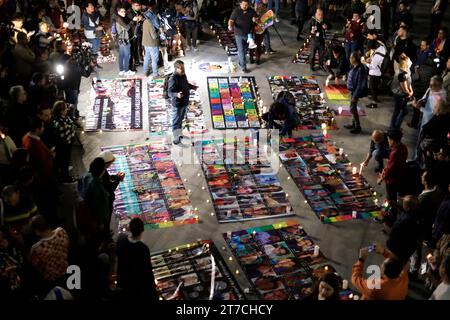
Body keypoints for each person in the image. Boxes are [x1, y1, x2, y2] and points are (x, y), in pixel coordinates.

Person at [116, 218, 158, 300]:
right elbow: (147, 269)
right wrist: (152, 283)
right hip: (137, 282)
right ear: (142, 230)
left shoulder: (122, 241)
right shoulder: (143, 248)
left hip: (124, 279)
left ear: (130, 228)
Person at [29, 215, 69, 295]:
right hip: (66, 272)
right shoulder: (61, 231)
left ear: (37, 232)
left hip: (51, 282)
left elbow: (33, 265)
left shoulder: (37, 248)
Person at [168, 60, 198, 144]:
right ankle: (175, 138)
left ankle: (179, 133)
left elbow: (185, 84)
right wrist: (176, 94)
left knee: (180, 119)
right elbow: (169, 92)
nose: (183, 70)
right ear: (176, 68)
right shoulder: (173, 79)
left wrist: (192, 87)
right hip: (177, 104)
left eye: (183, 67)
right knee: (176, 121)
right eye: (181, 68)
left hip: (184, 102)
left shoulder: (183, 75)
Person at [386, 195, 422, 264]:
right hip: (410, 247)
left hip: (400, 249)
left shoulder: (403, 221)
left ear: (408, 208)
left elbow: (394, 233)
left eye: (403, 204)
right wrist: (397, 206)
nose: (402, 204)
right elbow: (407, 211)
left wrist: (386, 220)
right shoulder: (417, 212)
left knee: (397, 263)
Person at [80, 158, 111, 238]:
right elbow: (96, 207)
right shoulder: (95, 186)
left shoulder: (88, 176)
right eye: (104, 168)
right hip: (97, 218)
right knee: (98, 234)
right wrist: (100, 222)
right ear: (101, 171)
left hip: (93, 214)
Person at [21, 118, 55, 187]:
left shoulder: (25, 136)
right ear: (37, 129)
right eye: (42, 127)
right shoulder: (35, 143)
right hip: (42, 176)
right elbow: (42, 161)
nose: (44, 128)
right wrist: (51, 154)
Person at [378, 129, 408, 202]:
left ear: (392, 140)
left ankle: (392, 211)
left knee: (391, 198)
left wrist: (381, 178)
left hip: (392, 180)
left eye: (388, 139)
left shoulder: (395, 152)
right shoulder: (403, 146)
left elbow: (390, 170)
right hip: (400, 175)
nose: (388, 141)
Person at [228, 0, 258, 73]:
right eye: (243, 4)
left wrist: (255, 19)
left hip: (248, 34)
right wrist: (230, 26)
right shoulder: (236, 11)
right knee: (241, 50)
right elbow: (231, 20)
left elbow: (256, 17)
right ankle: (243, 67)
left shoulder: (251, 10)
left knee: (245, 50)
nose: (245, 6)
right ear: (240, 4)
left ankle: (241, 62)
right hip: (238, 34)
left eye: (247, 5)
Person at [52, 101, 76, 183]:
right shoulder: (59, 122)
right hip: (64, 145)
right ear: (61, 111)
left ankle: (64, 173)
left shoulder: (64, 117)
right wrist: (72, 133)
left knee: (66, 161)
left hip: (68, 142)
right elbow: (64, 136)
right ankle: (65, 177)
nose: (67, 109)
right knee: (64, 161)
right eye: (66, 108)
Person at [344, 51, 367, 134]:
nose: (350, 59)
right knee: (352, 108)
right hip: (352, 91)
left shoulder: (361, 69)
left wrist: (355, 96)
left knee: (352, 109)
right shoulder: (353, 66)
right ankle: (353, 124)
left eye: (351, 57)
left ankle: (358, 126)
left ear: (355, 59)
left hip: (355, 92)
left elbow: (360, 84)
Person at [390, 53, 413, 130]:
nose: (410, 62)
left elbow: (409, 82)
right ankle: (393, 127)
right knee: (398, 111)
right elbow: (404, 88)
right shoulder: (402, 74)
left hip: (402, 94)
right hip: (399, 95)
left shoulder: (407, 70)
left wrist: (411, 90)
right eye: (409, 61)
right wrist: (409, 93)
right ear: (406, 63)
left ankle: (395, 126)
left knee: (402, 111)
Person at [98, 151, 125, 215]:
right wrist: (118, 179)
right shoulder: (101, 173)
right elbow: (110, 188)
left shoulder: (100, 167)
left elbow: (108, 177)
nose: (110, 165)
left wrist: (115, 176)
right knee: (106, 214)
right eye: (110, 163)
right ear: (106, 163)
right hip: (104, 201)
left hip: (102, 198)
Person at [362, 39, 386, 108]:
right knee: (375, 88)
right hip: (379, 72)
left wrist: (365, 62)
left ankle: (374, 103)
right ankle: (375, 99)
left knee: (373, 88)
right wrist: (371, 60)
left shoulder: (377, 56)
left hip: (375, 73)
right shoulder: (382, 48)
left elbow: (372, 66)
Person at [116, 6, 136, 76]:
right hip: (124, 40)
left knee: (121, 55)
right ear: (118, 12)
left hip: (121, 40)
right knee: (127, 55)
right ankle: (127, 70)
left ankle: (121, 70)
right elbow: (127, 27)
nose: (124, 13)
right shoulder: (119, 19)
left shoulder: (119, 18)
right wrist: (133, 20)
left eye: (124, 11)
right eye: (122, 12)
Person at [142, 1, 160, 80]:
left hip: (145, 43)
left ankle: (145, 72)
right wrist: (159, 32)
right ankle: (155, 74)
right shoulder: (151, 24)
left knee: (146, 58)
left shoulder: (145, 22)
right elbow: (154, 36)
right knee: (154, 59)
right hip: (152, 44)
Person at [127, 0, 144, 71]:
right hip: (132, 33)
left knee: (138, 47)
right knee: (133, 49)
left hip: (138, 31)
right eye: (137, 5)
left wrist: (139, 18)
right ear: (133, 5)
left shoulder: (138, 11)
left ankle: (137, 61)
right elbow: (133, 19)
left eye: (139, 5)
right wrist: (137, 19)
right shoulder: (129, 11)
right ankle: (132, 65)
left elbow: (142, 18)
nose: (138, 7)